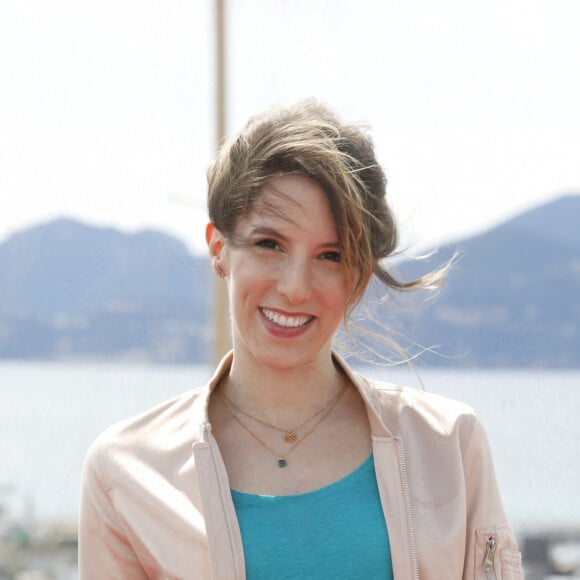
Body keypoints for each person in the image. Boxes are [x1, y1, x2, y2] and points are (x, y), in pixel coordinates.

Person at [79, 101, 524, 579]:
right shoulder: (125, 471)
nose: (295, 286)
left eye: (330, 255)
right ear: (218, 249)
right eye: (269, 244)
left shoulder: (448, 445)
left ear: (357, 275)